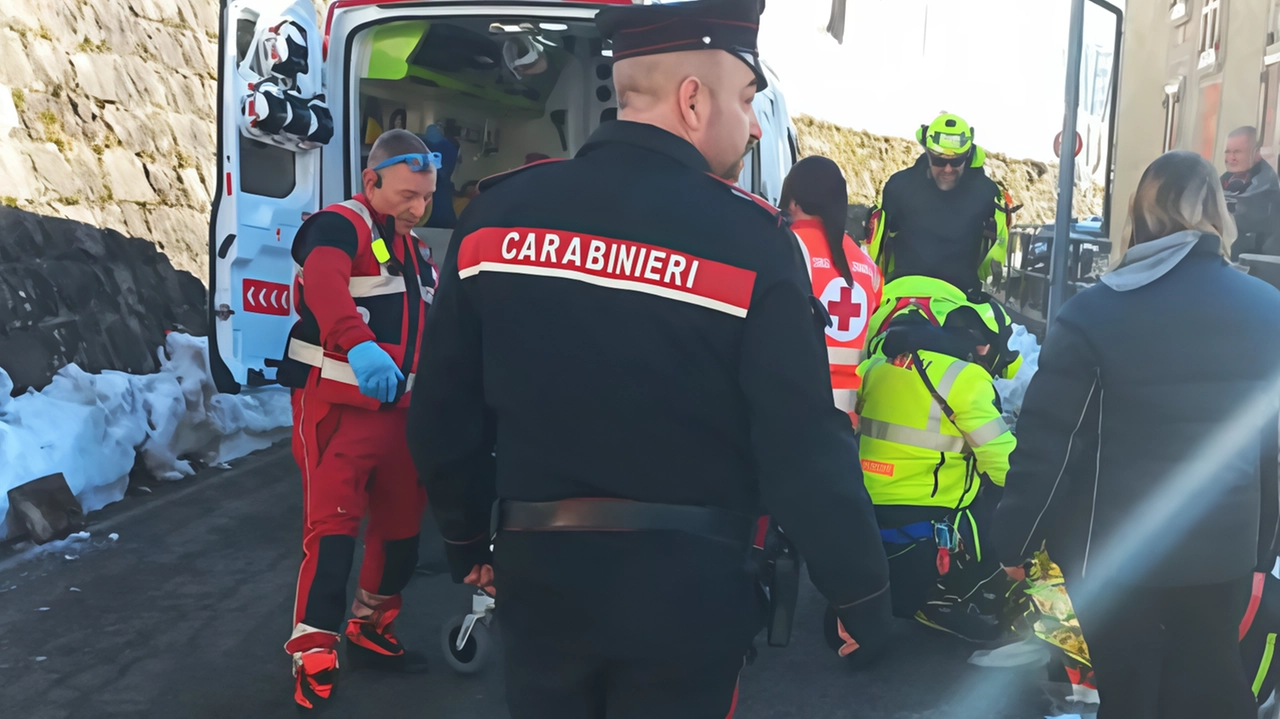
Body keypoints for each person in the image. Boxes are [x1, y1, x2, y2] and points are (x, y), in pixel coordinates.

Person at [407, 1, 892, 717]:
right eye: (749, 99)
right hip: (691, 591)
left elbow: (443, 409)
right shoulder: (752, 243)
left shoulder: (495, 220)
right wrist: (860, 591)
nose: (756, 124)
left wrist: (464, 536)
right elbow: (800, 442)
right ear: (693, 100)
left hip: (540, 576)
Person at [991, 150, 1280, 719]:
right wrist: (1260, 550)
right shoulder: (1268, 309)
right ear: (1218, 214)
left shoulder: (1094, 312)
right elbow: (1271, 448)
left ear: (1139, 215)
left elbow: (1051, 443)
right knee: (1214, 689)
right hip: (1223, 551)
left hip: (1115, 558)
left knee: (1131, 694)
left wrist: (1015, 541)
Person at [275, 129, 439, 710]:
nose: (418, 209)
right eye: (407, 196)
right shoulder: (340, 226)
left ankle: (372, 626)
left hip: (402, 419)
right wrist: (358, 343)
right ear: (371, 182)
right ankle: (314, 650)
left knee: (400, 537)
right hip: (337, 411)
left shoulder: (416, 252)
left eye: (426, 197)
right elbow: (322, 283)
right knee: (334, 534)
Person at [849, 277, 1021, 642]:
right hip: (933, 516)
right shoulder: (963, 377)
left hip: (861, 508)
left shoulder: (871, 368)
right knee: (1003, 502)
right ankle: (949, 597)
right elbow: (1004, 464)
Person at [781, 156, 882, 425]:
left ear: (792, 200)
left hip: (792, 408)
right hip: (847, 417)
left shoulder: (784, 246)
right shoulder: (868, 267)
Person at [866, 113, 1016, 293]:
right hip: (905, 293)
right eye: (939, 160)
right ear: (928, 153)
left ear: (967, 155)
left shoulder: (987, 192)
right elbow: (881, 243)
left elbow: (997, 239)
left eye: (956, 161)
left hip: (963, 296)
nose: (947, 169)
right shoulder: (899, 186)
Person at [1221, 126, 1280, 260]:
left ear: (1257, 154)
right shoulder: (1224, 181)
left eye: (1237, 152)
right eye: (1227, 152)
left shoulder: (1268, 186)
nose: (1231, 158)